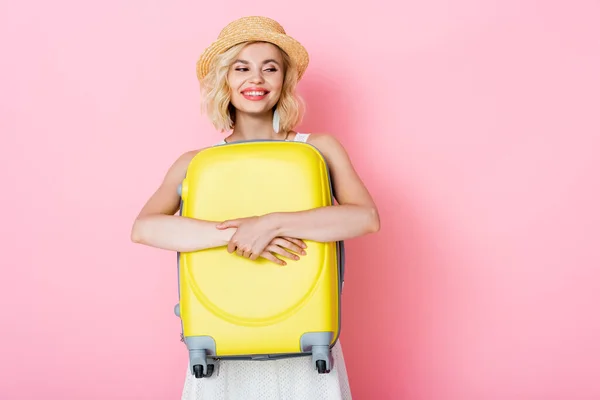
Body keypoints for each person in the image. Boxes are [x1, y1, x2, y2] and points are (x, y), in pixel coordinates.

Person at [131, 15, 380, 400]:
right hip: (220, 342)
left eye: (270, 68)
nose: (256, 79)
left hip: (306, 334)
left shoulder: (317, 148)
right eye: (241, 68)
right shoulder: (196, 162)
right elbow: (145, 228)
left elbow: (364, 218)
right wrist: (239, 232)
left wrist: (271, 224)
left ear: (284, 80)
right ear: (224, 79)